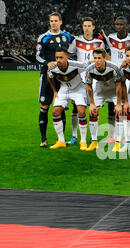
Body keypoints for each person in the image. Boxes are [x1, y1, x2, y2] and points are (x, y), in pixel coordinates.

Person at [36, 12, 74, 147]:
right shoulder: (44, 37)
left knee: (60, 107)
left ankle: (61, 139)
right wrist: (47, 63)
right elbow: (38, 55)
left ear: (61, 22)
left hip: (62, 77)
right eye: (51, 21)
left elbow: (76, 50)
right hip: (47, 76)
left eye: (56, 21)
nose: (53, 23)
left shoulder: (68, 36)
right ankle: (43, 139)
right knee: (44, 107)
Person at [67, 17, 105, 145]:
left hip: (94, 79)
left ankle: (93, 137)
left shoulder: (99, 43)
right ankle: (74, 135)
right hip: (79, 79)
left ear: (93, 27)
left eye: (89, 26)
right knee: (76, 108)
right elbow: (67, 56)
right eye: (85, 26)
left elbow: (105, 60)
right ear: (82, 27)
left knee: (94, 109)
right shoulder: (76, 41)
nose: (87, 28)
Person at [103, 16, 130, 143]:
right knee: (111, 106)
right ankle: (112, 135)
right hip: (113, 75)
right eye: (117, 24)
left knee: (125, 106)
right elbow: (107, 53)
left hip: (127, 75)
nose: (119, 27)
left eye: (121, 24)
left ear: (126, 25)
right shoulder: (110, 38)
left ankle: (124, 136)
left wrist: (127, 62)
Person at [46, 47, 88, 150]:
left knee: (81, 111)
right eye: (57, 58)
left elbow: (88, 66)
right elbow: (49, 76)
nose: (58, 60)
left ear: (67, 57)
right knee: (55, 111)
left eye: (61, 57)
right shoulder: (53, 67)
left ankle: (83, 141)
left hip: (78, 89)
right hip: (64, 89)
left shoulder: (76, 65)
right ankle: (61, 141)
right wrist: (55, 91)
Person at [85, 48, 125, 152]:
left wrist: (119, 103)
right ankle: (94, 142)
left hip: (113, 90)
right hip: (100, 91)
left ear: (105, 58)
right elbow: (89, 87)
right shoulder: (90, 69)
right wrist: (92, 104)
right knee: (93, 112)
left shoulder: (113, 68)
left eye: (99, 58)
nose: (97, 61)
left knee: (119, 113)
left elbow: (118, 86)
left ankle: (118, 142)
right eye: (95, 58)